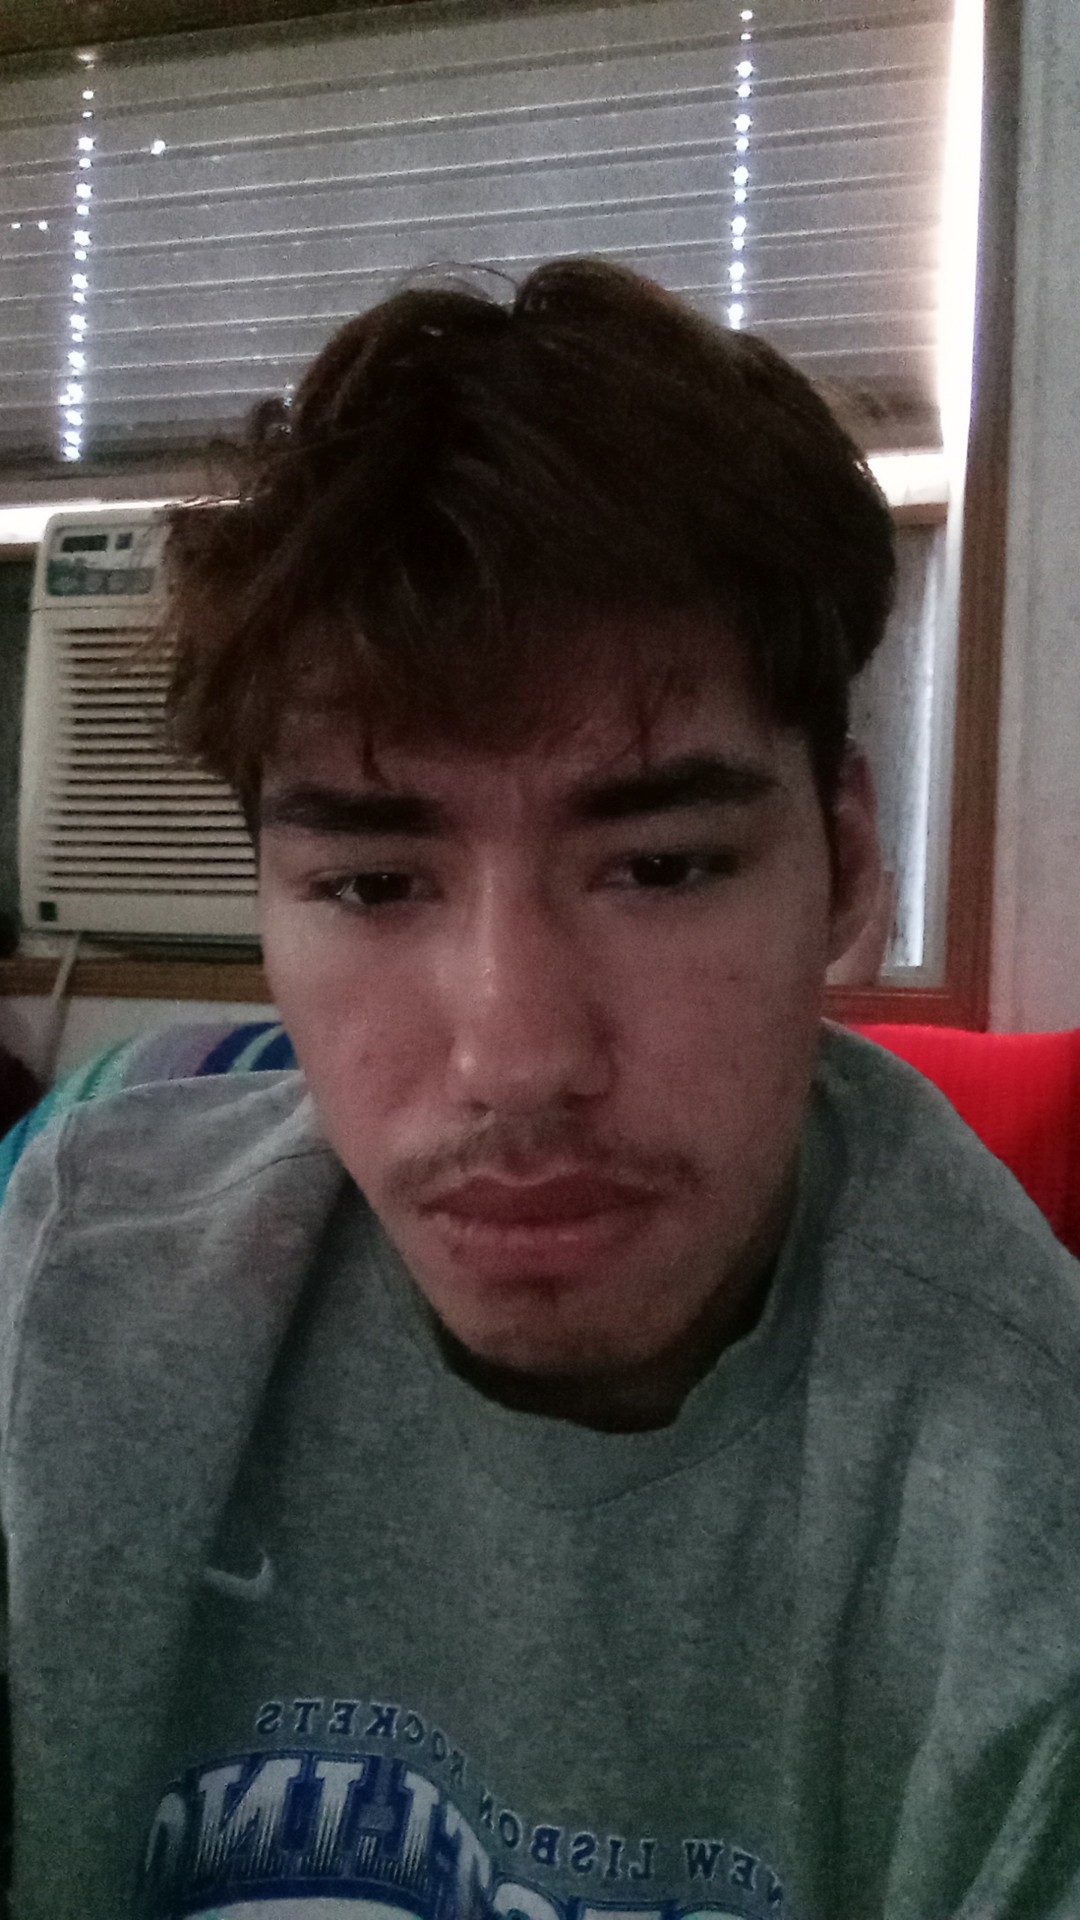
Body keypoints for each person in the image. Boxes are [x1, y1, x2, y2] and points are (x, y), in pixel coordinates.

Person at [0, 257, 1078, 1920]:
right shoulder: (78, 1282)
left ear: (849, 869)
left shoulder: (1026, 1516)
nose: (515, 1059)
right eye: (374, 886)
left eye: (661, 866)